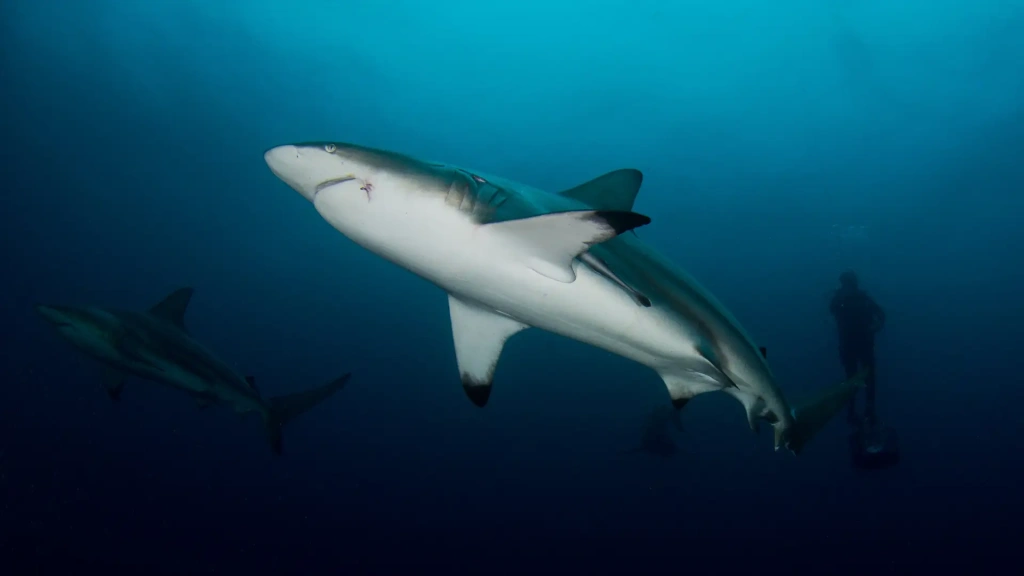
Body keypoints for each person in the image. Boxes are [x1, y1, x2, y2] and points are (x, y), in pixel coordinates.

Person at [829, 270, 885, 430]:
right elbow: (881, 315)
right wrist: (876, 327)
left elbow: (831, 309)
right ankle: (866, 410)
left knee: (852, 378)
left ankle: (855, 412)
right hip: (863, 345)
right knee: (866, 378)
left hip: (850, 346)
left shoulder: (842, 298)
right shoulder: (862, 298)